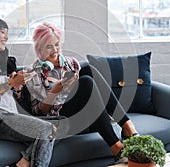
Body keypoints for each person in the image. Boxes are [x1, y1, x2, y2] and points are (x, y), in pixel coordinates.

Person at [25, 22, 138, 163]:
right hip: (60, 121)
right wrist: (54, 92)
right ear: (39, 49)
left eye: (57, 44)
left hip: (85, 116)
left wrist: (72, 86)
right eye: (49, 46)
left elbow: (89, 95)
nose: (55, 50)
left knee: (89, 71)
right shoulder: (32, 73)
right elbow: (38, 112)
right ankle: (116, 147)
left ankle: (128, 128)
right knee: (86, 83)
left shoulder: (71, 63)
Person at [0, 18, 61, 167]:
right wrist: (10, 83)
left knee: (66, 123)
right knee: (46, 129)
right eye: (2, 32)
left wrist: (17, 88)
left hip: (15, 115)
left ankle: (23, 162)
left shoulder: (7, 63)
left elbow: (15, 100)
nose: (6, 37)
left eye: (7, 33)